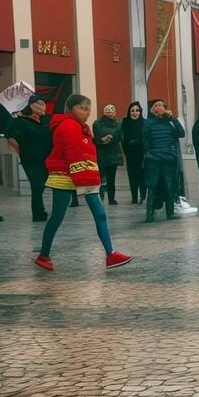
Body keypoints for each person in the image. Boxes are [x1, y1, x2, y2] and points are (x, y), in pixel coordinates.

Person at [34, 94, 131, 272]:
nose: (86, 113)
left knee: (99, 213)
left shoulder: (80, 126)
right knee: (57, 216)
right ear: (71, 109)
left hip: (83, 174)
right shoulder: (69, 126)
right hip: (66, 175)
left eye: (88, 109)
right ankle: (43, 255)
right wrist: (86, 178)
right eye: (83, 108)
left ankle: (111, 253)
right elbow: (74, 153)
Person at [5, 94, 52, 222]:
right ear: (31, 106)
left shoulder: (47, 120)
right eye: (38, 103)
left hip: (47, 158)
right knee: (37, 186)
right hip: (31, 159)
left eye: (43, 104)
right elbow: (10, 137)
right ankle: (38, 213)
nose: (42, 106)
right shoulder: (21, 120)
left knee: (41, 186)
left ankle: (40, 211)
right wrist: (19, 152)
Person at [143, 98, 185, 221]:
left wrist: (173, 118)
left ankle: (170, 212)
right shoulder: (148, 122)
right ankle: (149, 214)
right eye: (156, 105)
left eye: (161, 105)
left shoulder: (170, 122)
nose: (159, 107)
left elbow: (181, 133)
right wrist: (150, 152)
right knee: (152, 186)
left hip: (168, 158)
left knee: (169, 186)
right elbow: (145, 139)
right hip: (154, 159)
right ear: (153, 109)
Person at [92, 104, 123, 206]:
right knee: (101, 178)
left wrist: (110, 138)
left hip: (113, 153)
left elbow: (120, 137)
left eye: (112, 111)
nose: (110, 113)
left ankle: (111, 198)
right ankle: (100, 198)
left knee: (111, 178)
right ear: (104, 112)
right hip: (101, 153)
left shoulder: (119, 123)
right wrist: (102, 139)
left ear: (115, 112)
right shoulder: (97, 123)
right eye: (108, 111)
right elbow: (96, 138)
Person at [121, 102, 147, 204]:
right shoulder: (125, 122)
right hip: (130, 154)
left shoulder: (144, 122)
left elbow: (146, 138)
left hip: (142, 153)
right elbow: (123, 138)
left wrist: (138, 142)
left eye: (137, 110)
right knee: (132, 176)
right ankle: (134, 198)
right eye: (132, 111)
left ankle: (143, 196)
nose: (134, 113)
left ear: (140, 112)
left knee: (142, 176)